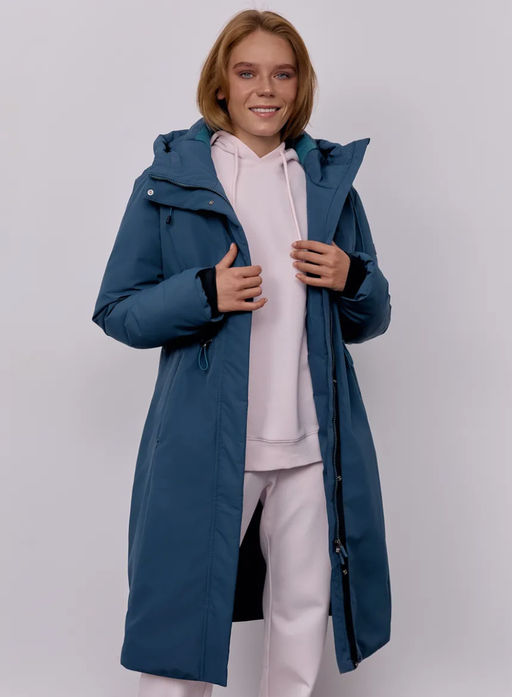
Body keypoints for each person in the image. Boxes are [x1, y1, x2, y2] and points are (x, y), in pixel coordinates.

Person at [91, 9, 392, 697]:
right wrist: (204, 290)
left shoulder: (327, 184)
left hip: (313, 444)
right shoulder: (170, 182)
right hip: (210, 439)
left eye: (282, 74)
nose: (266, 89)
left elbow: (370, 319)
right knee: (178, 609)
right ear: (221, 84)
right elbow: (117, 309)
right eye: (248, 71)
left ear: (300, 85)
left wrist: (352, 277)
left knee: (302, 612)